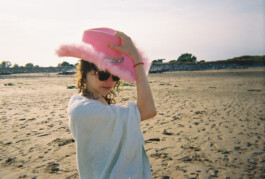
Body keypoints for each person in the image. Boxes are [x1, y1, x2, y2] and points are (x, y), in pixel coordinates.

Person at [56, 28, 156, 179]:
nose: (110, 82)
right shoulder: (84, 110)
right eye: (103, 74)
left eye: (115, 76)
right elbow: (148, 110)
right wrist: (136, 58)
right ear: (84, 71)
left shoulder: (91, 101)